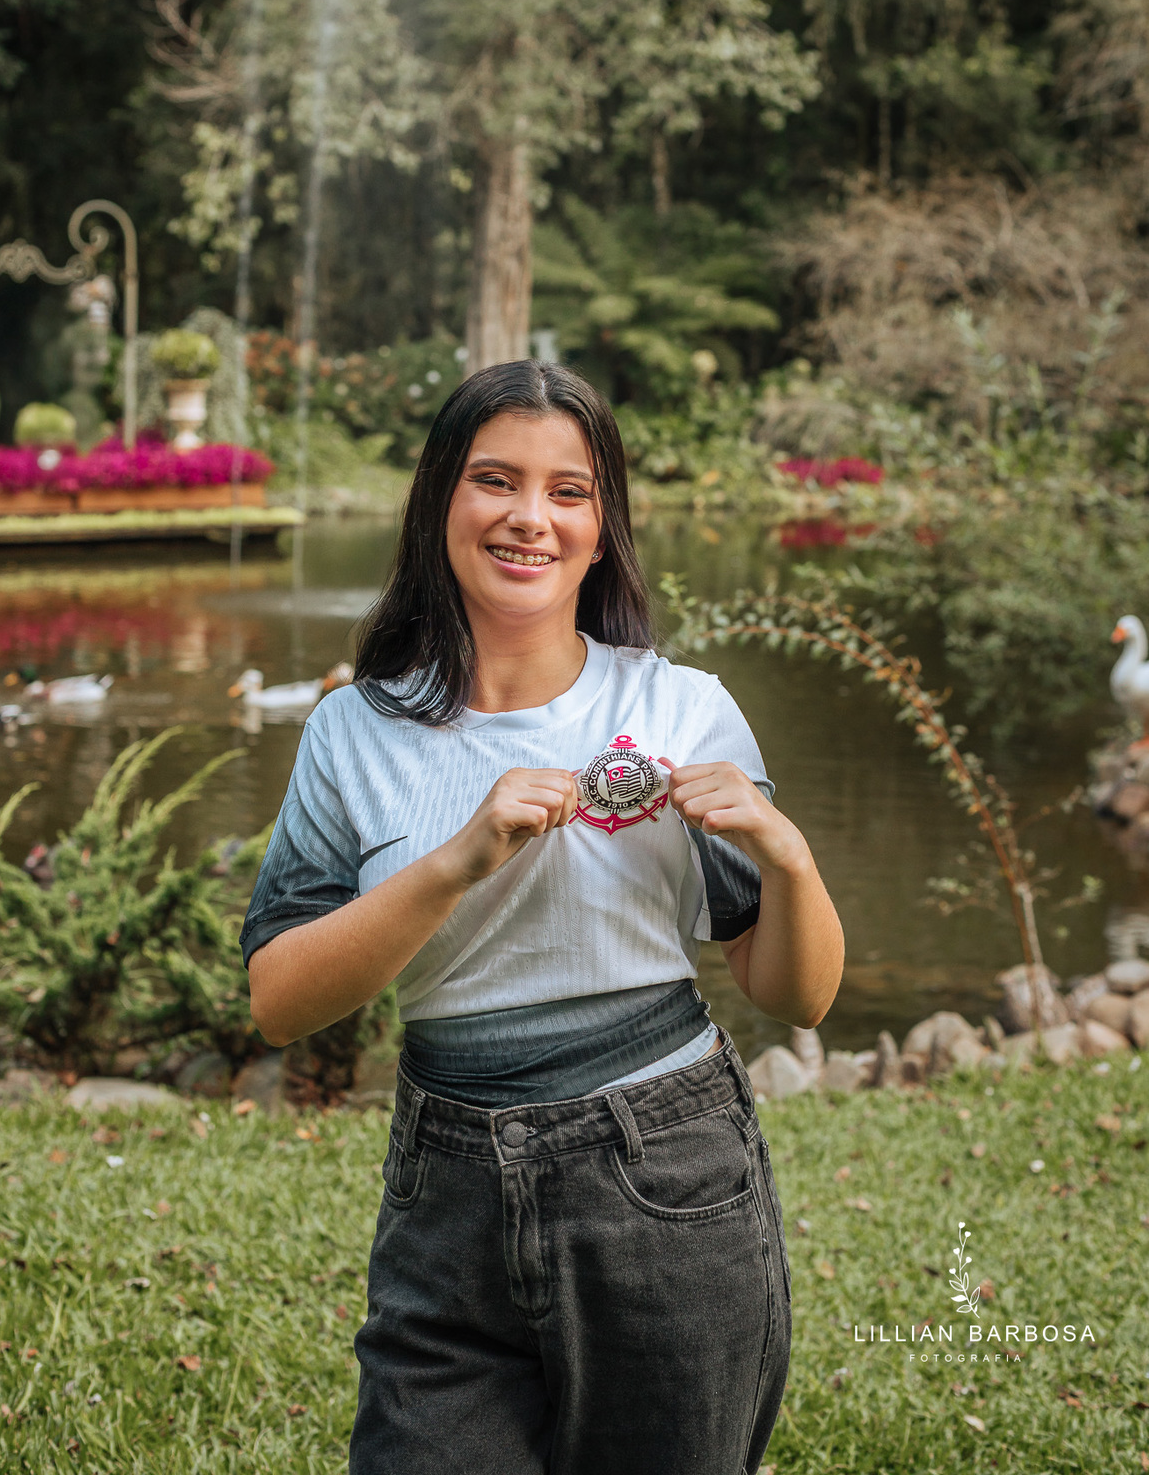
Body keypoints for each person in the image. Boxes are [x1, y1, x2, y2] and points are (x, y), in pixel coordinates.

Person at [241, 360, 844, 1475]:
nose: (530, 518)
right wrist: (459, 860)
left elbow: (796, 994)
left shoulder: (678, 706)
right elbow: (280, 1001)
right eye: (495, 481)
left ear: (604, 525)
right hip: (446, 1188)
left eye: (569, 491)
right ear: (440, 503)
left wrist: (790, 859)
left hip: (666, 1174)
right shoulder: (352, 732)